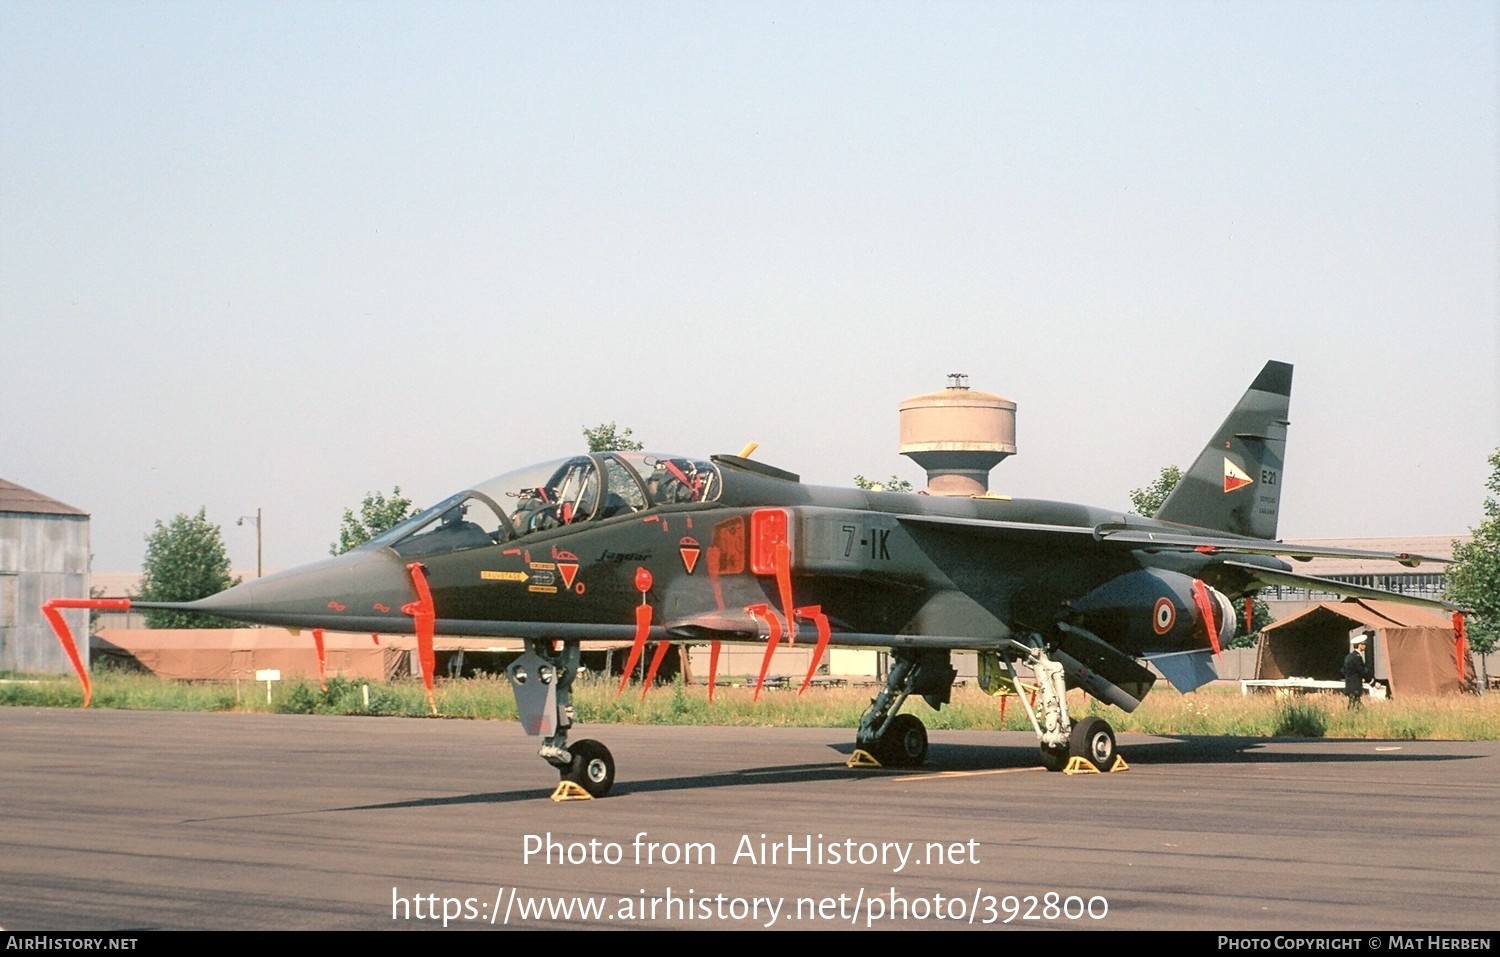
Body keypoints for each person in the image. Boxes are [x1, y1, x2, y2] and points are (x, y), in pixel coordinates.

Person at [1342, 631, 1373, 708]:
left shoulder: (1348, 656)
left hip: (1349, 685)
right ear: (1360, 645)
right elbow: (1361, 670)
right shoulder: (1357, 657)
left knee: (1353, 704)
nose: (1365, 646)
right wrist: (1369, 679)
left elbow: (1343, 670)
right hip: (1355, 685)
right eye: (1364, 644)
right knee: (1355, 705)